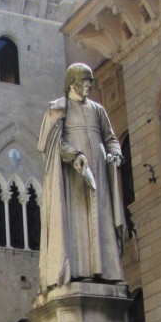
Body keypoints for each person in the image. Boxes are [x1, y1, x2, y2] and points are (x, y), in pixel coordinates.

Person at [37, 63, 125, 290]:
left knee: (101, 220)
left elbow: (111, 139)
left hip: (99, 176)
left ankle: (106, 272)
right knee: (77, 223)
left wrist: (115, 154)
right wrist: (74, 155)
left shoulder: (98, 110)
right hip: (73, 178)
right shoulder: (59, 109)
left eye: (90, 81)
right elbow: (53, 144)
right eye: (84, 81)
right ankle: (80, 272)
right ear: (72, 82)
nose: (88, 85)